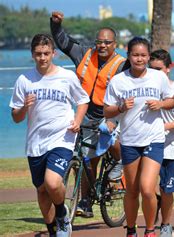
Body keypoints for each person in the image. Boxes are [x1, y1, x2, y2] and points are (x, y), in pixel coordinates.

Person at [10, 34, 90, 237]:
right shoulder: (24, 80)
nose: (42, 58)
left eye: (46, 53)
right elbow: (16, 117)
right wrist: (24, 107)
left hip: (62, 137)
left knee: (52, 182)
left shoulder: (66, 76)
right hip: (36, 142)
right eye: (38, 54)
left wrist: (78, 121)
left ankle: (62, 214)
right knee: (42, 190)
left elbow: (82, 100)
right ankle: (53, 229)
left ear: (53, 53)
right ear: (32, 55)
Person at [50, 11, 126, 218]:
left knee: (108, 132)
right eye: (99, 42)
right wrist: (55, 25)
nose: (102, 45)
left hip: (111, 112)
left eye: (107, 42)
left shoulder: (122, 64)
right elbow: (63, 41)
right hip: (86, 112)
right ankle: (86, 200)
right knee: (84, 159)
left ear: (115, 44)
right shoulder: (83, 53)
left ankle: (119, 161)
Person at [103, 37, 174, 237]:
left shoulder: (158, 77)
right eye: (135, 55)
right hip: (130, 141)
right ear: (129, 55)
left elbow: (171, 100)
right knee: (132, 191)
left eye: (143, 55)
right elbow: (107, 111)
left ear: (149, 57)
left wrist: (160, 104)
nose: (139, 59)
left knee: (147, 188)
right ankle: (131, 230)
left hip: (154, 139)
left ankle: (150, 230)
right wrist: (120, 107)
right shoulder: (118, 81)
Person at [149, 49, 174, 237]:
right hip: (150, 147)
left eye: (159, 69)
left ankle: (166, 225)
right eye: (152, 68)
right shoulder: (147, 90)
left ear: (168, 68)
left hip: (173, 149)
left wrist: (164, 126)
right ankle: (155, 203)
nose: (155, 73)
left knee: (167, 190)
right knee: (146, 187)